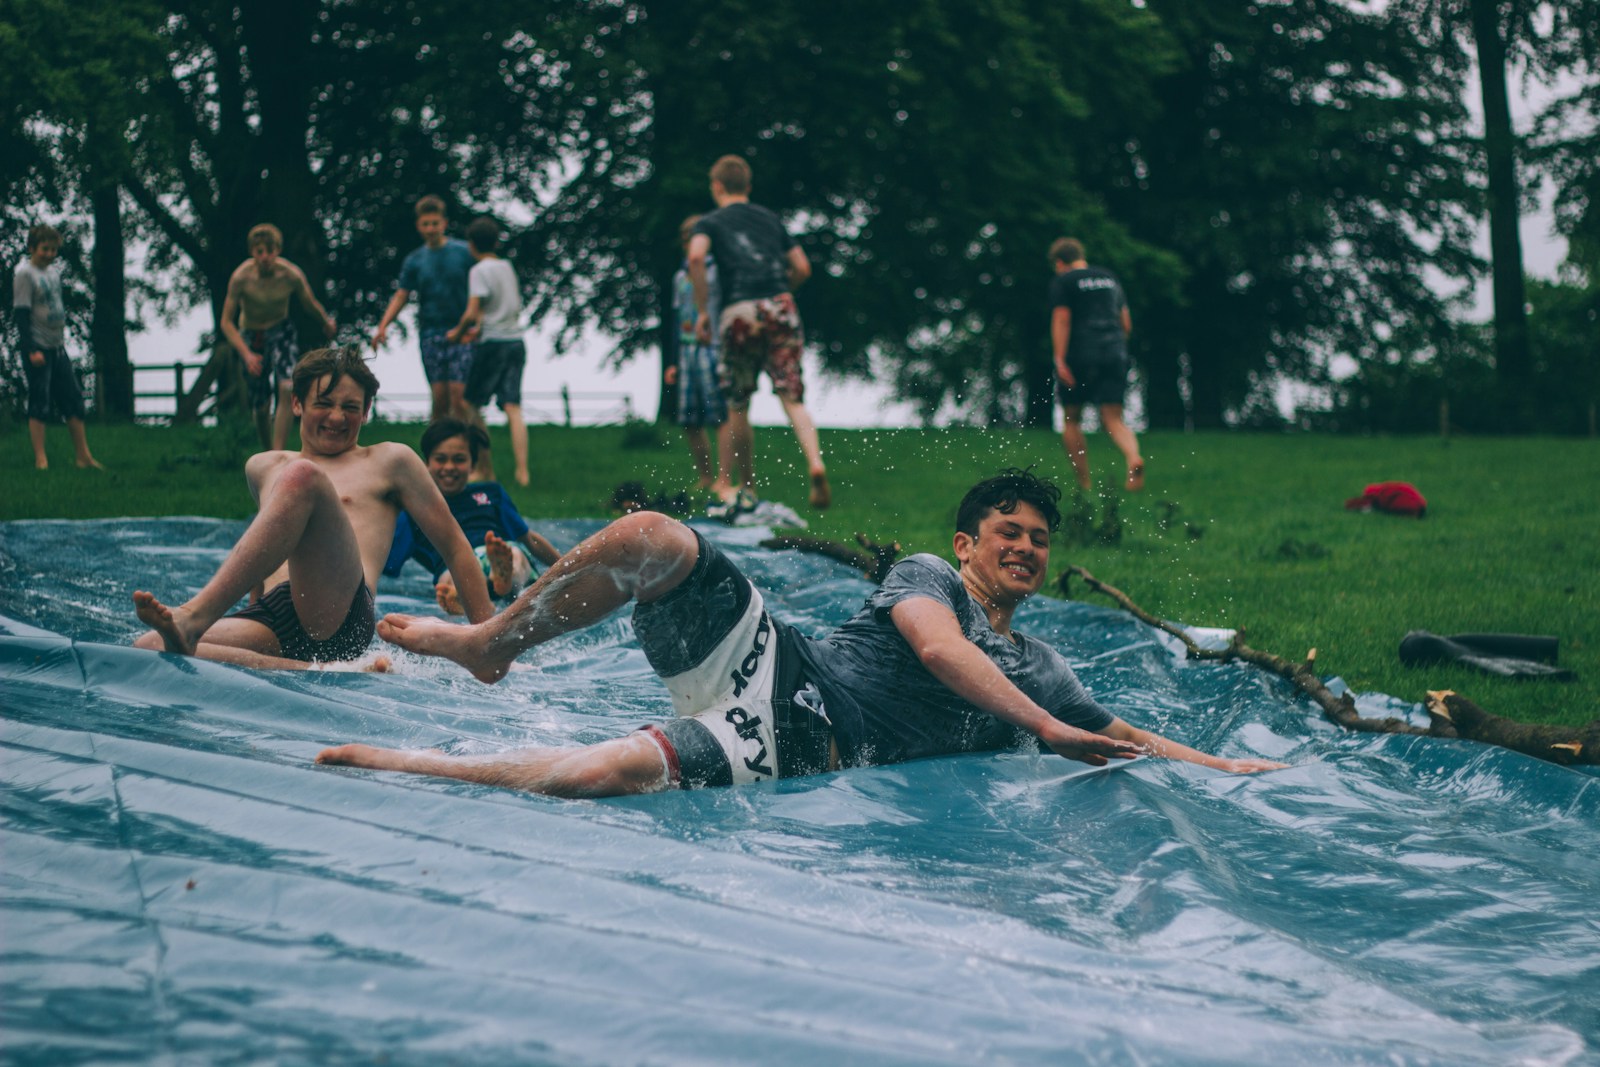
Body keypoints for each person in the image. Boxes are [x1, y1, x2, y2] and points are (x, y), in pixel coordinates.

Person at [318, 468, 1285, 796]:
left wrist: (1220, 767)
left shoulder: (1043, 662)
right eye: (1010, 534)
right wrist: (1050, 728)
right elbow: (941, 650)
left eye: (1040, 540)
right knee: (656, 535)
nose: (1028, 550)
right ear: (968, 542)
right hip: (783, 664)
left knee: (601, 776)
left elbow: (1121, 732)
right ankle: (495, 639)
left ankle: (414, 766)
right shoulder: (929, 575)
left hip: (815, 740)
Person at [132, 347, 493, 670]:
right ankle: (314, 669)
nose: (337, 417)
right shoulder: (262, 466)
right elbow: (267, 546)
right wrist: (251, 607)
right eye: (324, 403)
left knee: (303, 476)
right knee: (149, 646)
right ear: (297, 403)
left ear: (366, 411)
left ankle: (193, 616)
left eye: (350, 407)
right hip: (273, 614)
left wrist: (487, 643)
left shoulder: (390, 461)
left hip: (339, 613)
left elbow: (455, 547)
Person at [688, 154, 831, 511]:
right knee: (792, 396)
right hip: (779, 304)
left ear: (717, 187)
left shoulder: (710, 222)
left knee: (738, 401)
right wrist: (785, 292)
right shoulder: (770, 219)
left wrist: (704, 311)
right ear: (748, 187)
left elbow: (694, 257)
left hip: (739, 309)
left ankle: (747, 485)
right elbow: (801, 266)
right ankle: (815, 463)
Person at [384, 418, 560, 615]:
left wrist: (563, 565)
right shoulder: (415, 510)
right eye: (441, 459)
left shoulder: (491, 493)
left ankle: (501, 580)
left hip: (496, 552)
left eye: (459, 459)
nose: (449, 467)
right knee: (450, 576)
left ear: (473, 465)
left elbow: (528, 538)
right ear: (427, 463)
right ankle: (459, 596)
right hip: (454, 566)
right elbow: (385, 556)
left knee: (515, 556)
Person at [219, 223, 338, 450]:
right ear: (252, 252)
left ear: (278, 250)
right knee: (261, 405)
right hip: (251, 337)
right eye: (259, 252)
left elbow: (309, 303)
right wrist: (247, 355)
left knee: (286, 387)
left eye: (270, 251)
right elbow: (226, 322)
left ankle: (279, 451)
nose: (265, 257)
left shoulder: (290, 275)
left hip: (281, 330)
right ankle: (267, 453)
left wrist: (325, 321)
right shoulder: (241, 278)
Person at [371, 195, 479, 431]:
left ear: (444, 223)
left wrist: (480, 322)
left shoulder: (464, 253)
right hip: (431, 331)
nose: (431, 229)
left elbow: (481, 289)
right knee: (440, 398)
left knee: (459, 397)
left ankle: (468, 452)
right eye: (426, 224)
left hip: (463, 330)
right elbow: (402, 294)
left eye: (435, 223)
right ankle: (437, 455)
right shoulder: (415, 260)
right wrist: (383, 325)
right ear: (418, 226)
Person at [1049, 237, 1145, 492]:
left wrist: (1059, 359)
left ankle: (1084, 483)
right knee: (1114, 418)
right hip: (1115, 350)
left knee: (1071, 419)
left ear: (1059, 263)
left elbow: (1062, 319)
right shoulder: (1109, 277)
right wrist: (1115, 348)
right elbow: (1126, 323)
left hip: (1081, 352)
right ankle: (1133, 457)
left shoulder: (1064, 281)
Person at [12, 224, 102, 471]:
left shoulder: (53, 273)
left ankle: (83, 456)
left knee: (73, 399)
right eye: (45, 249)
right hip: (37, 347)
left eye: (53, 250)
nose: (50, 254)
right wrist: (31, 350)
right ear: (32, 248)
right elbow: (21, 314)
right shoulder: (24, 274)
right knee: (40, 401)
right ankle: (41, 459)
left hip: (57, 346)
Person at [448, 217, 526, 486]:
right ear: (496, 242)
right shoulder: (507, 267)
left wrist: (457, 334)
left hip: (493, 343)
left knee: (470, 404)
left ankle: (485, 468)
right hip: (516, 340)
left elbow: (472, 312)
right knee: (513, 407)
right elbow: (502, 306)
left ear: (471, 245)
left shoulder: (479, 270)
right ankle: (523, 473)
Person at [666, 214, 730, 495]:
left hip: (713, 346)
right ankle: (705, 476)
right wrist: (672, 359)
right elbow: (676, 316)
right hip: (686, 349)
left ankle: (724, 478)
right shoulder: (679, 276)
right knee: (690, 418)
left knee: (721, 414)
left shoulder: (720, 272)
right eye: (684, 238)